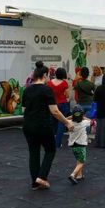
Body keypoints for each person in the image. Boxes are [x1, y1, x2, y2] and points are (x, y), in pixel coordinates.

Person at [22, 61, 72, 190]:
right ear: (45, 75)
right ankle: (42, 176)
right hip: (43, 125)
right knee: (50, 150)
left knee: (33, 153)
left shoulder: (27, 90)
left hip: (28, 126)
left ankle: (35, 183)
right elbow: (54, 111)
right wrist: (67, 122)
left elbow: (23, 110)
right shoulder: (46, 90)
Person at [66, 106, 91, 185]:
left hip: (73, 146)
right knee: (82, 162)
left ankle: (79, 175)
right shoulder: (84, 122)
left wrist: (71, 116)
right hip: (81, 145)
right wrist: (84, 117)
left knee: (78, 159)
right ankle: (73, 175)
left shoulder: (69, 123)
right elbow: (91, 121)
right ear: (82, 115)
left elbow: (64, 119)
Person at [47, 68, 70, 149]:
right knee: (61, 123)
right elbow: (67, 95)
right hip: (62, 104)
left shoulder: (49, 83)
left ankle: (51, 142)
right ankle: (58, 143)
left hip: (52, 104)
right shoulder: (64, 83)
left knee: (52, 123)